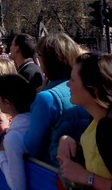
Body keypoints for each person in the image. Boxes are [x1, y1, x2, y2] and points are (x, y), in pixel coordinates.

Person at [57, 52, 112, 190]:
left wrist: (87, 177)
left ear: (94, 90)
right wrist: (67, 140)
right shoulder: (100, 117)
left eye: (73, 80)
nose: (68, 84)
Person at [23, 33, 90, 166]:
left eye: (39, 56)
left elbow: (33, 146)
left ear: (45, 61)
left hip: (56, 168)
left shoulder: (47, 98)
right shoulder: (85, 88)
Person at [0, 73, 37, 190]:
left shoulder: (13, 137)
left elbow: (17, 186)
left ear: (7, 102)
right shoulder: (37, 120)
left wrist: (1, 154)